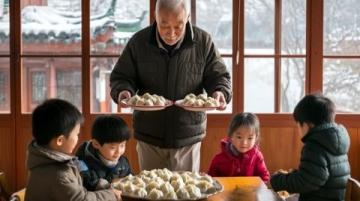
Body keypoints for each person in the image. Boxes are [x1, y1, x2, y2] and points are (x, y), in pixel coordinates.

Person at [110, 0, 232, 172]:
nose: (171, 33)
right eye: (164, 25)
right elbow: (121, 76)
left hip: (188, 136)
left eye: (179, 26)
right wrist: (123, 92)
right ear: (155, 17)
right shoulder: (139, 42)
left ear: (188, 18)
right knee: (151, 192)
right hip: (149, 135)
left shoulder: (203, 42)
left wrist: (220, 93)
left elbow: (219, 76)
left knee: (186, 194)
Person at [25, 99, 122, 201]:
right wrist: (110, 195)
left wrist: (101, 186)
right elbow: (82, 199)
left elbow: (77, 191)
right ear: (60, 140)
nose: (77, 138)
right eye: (76, 134)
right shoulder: (58, 176)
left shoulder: (50, 162)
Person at [270, 93, 350, 201]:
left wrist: (276, 181)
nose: (298, 130)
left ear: (308, 124)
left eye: (298, 125)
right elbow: (314, 175)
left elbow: (305, 182)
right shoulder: (335, 142)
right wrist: (292, 174)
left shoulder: (315, 146)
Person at [207, 113, 269, 182]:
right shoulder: (218, 159)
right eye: (239, 137)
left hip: (249, 192)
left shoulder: (257, 156)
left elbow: (264, 177)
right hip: (226, 192)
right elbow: (210, 180)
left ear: (256, 138)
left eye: (250, 138)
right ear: (231, 136)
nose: (244, 143)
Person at [76, 115, 132, 191]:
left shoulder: (123, 162)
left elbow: (131, 178)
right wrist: (110, 185)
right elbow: (87, 184)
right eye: (113, 147)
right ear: (96, 144)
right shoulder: (82, 162)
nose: (119, 151)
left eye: (122, 145)